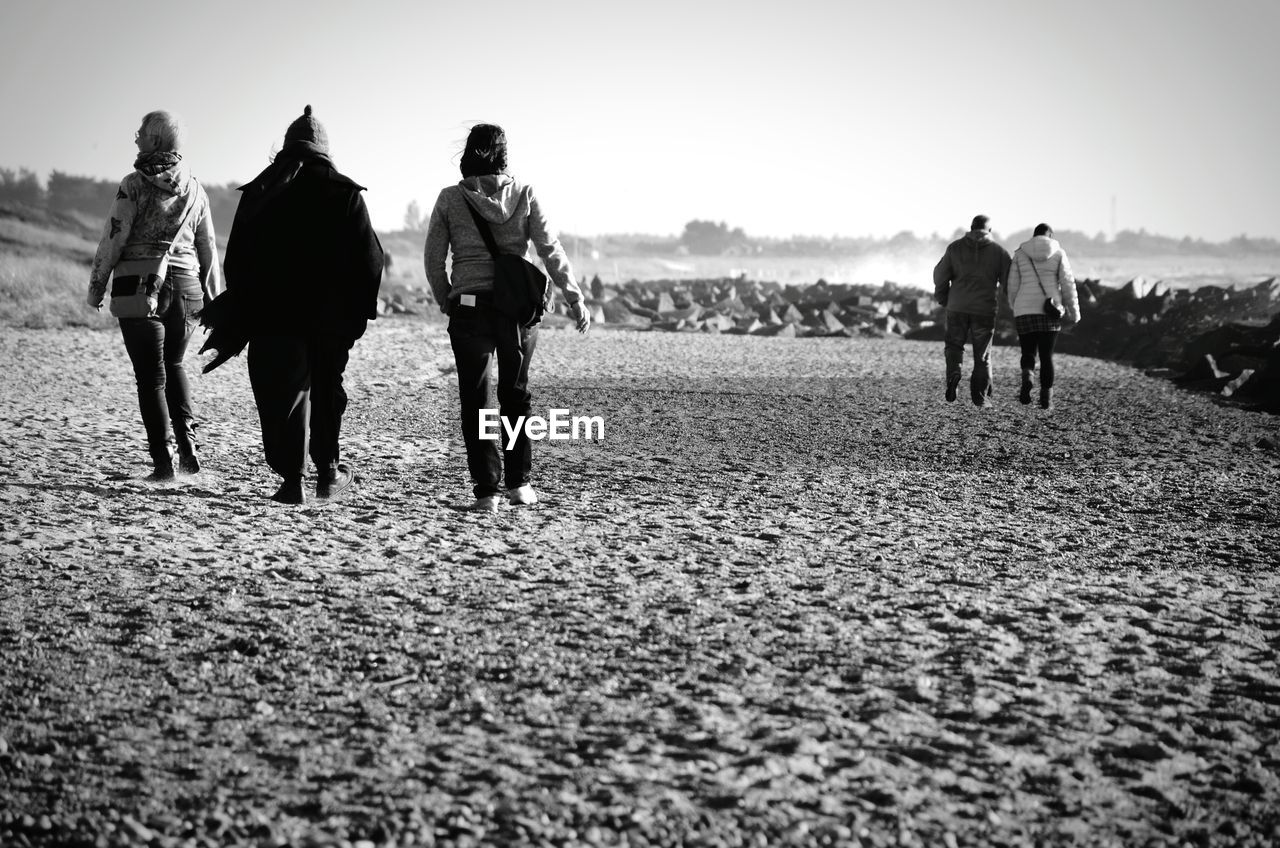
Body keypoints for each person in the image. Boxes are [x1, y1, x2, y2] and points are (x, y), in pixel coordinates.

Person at [220, 105, 383, 504]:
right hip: (330, 319)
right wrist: (357, 317)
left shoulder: (260, 190)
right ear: (324, 150)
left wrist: (246, 308)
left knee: (281, 395)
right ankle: (327, 474)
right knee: (326, 390)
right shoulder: (343, 192)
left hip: (272, 316)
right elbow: (370, 260)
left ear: (286, 147)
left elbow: (236, 260)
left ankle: (292, 481)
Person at [424, 123, 590, 512]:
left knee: (475, 399)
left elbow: (433, 257)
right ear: (503, 154)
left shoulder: (450, 198)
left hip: (468, 306)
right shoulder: (525, 194)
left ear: (467, 153)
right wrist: (574, 297)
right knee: (516, 396)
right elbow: (551, 249)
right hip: (516, 309)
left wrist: (445, 296)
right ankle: (519, 485)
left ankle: (486, 493)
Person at [86, 110, 222, 480]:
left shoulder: (133, 184)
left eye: (141, 132)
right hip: (188, 292)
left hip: (141, 289)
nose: (135, 138)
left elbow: (113, 238)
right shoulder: (196, 188)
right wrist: (215, 299)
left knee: (150, 378)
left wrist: (96, 287)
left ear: (156, 140)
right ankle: (189, 450)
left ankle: (163, 463)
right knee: (175, 365)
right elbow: (207, 248)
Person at [933, 214, 1013, 407]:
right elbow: (1009, 284)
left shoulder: (955, 248)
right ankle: (980, 398)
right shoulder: (999, 252)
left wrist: (943, 297)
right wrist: (1008, 310)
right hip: (984, 310)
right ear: (990, 231)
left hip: (957, 306)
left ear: (970, 227)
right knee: (982, 355)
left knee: (954, 346)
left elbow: (940, 275)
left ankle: (954, 372)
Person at [1007, 223, 1081, 410]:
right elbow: (1067, 284)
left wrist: (1014, 305)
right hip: (1050, 311)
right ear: (1051, 236)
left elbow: (1012, 284)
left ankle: (1028, 377)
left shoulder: (1020, 253)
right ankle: (1046, 399)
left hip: (1024, 310)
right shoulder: (1058, 253)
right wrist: (1074, 312)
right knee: (1046, 356)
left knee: (1028, 352)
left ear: (1034, 236)